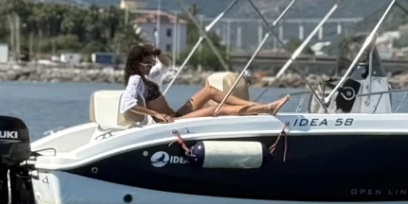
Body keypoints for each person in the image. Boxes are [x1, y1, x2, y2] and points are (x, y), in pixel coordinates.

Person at [120, 44, 289, 123]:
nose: (150, 66)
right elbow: (128, 104)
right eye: (147, 63)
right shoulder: (136, 79)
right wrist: (155, 114)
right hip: (170, 122)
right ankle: (266, 109)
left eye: (151, 63)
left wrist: (155, 51)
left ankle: (256, 106)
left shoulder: (148, 76)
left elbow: (164, 64)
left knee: (209, 91)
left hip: (176, 115)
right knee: (218, 108)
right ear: (136, 64)